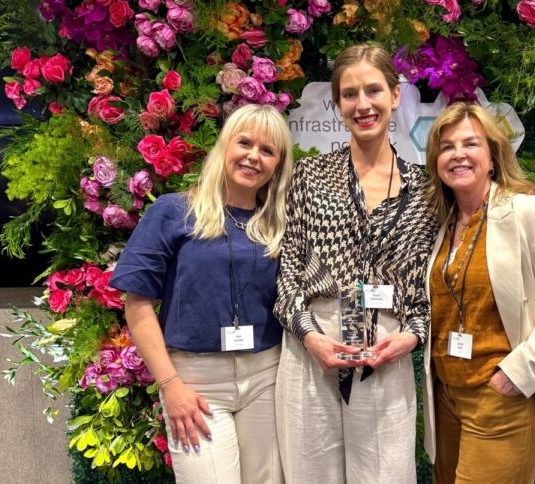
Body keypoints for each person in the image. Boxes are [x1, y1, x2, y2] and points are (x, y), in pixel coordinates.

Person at [273, 44, 438, 484]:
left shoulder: (424, 189)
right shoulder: (309, 177)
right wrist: (310, 337)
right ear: (337, 103)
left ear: (395, 94)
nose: (363, 104)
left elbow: (426, 284)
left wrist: (411, 336)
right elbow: (288, 273)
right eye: (350, 94)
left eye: (373, 90)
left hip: (385, 348)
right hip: (313, 345)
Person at [110, 104, 293, 483]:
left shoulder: (279, 225)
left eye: (267, 150)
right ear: (225, 145)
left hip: (268, 377)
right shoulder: (174, 211)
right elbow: (138, 305)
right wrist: (169, 385)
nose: (253, 157)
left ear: (278, 164)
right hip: (196, 381)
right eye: (245, 143)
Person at [422, 103, 535, 483]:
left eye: (470, 144)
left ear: (493, 156)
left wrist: (514, 375)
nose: (457, 154)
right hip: (446, 396)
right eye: (447, 147)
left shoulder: (530, 213)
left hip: (501, 396)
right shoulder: (442, 225)